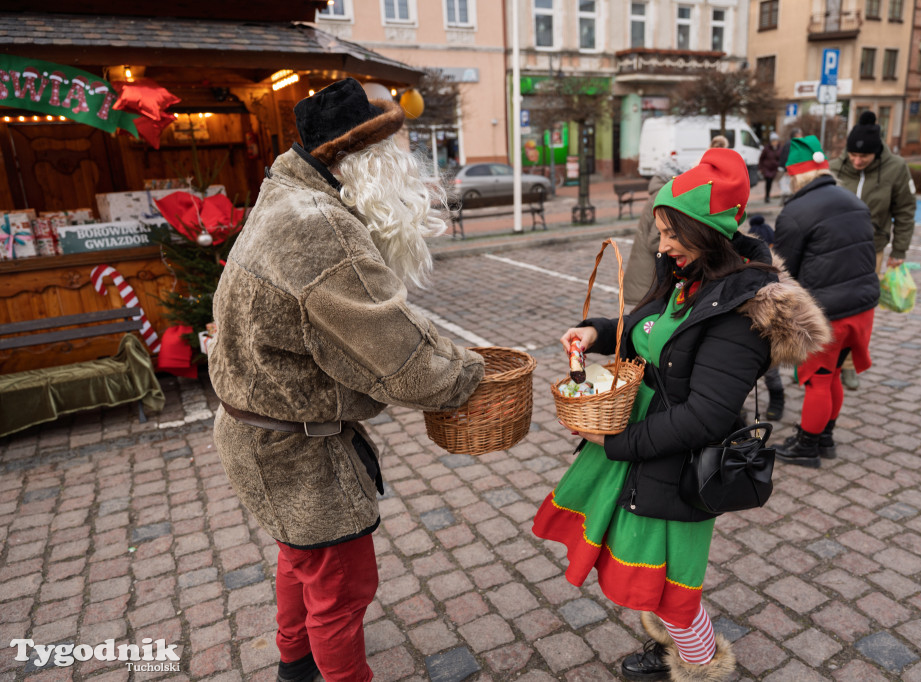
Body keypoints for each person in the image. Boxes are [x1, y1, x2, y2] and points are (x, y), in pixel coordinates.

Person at [208, 79, 485, 682]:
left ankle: (294, 664)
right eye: (398, 156)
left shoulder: (286, 191)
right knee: (341, 586)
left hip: (259, 436)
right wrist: (468, 373)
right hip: (296, 451)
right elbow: (402, 358)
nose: (408, 170)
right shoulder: (318, 225)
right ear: (364, 156)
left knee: (299, 557)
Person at [533, 149, 829, 681]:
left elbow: (706, 419)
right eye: (662, 231)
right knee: (651, 572)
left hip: (674, 460)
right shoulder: (687, 273)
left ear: (708, 233)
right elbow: (646, 328)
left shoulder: (741, 310)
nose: (662, 244)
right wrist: (599, 331)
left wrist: (616, 443)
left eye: (672, 233)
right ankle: (679, 647)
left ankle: (700, 664)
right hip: (644, 450)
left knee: (673, 584)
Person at [773, 136, 879, 467]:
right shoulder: (854, 201)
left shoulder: (794, 212)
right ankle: (825, 436)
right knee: (833, 375)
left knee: (818, 379)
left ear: (795, 174)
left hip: (826, 314)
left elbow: (784, 273)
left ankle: (807, 445)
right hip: (862, 310)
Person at [830, 110, 916, 389]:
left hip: (871, 250)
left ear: (876, 153)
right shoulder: (835, 167)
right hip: (832, 249)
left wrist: (899, 250)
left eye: (863, 158)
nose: (856, 161)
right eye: (853, 156)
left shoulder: (896, 168)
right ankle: (817, 358)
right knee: (826, 304)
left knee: (860, 310)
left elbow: (904, 211)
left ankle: (849, 365)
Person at [622, 152, 686, 308]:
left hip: (644, 276)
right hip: (648, 279)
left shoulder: (659, 193)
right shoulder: (663, 197)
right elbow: (654, 241)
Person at [746, 213, 786, 421]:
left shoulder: (779, 273)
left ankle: (777, 398)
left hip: (769, 331)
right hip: (747, 331)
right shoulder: (743, 271)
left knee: (772, 372)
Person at [776, 127, 802, 204]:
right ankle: (786, 201)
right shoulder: (791, 144)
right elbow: (786, 157)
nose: (801, 136)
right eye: (800, 134)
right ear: (796, 135)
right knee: (789, 186)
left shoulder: (792, 143)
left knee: (790, 186)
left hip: (792, 168)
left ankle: (789, 200)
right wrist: (787, 169)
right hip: (790, 169)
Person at [758, 132, 782, 203]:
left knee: (771, 181)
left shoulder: (780, 149)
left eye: (776, 141)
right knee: (768, 181)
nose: (775, 142)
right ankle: (767, 196)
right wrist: (760, 168)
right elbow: (761, 158)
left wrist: (779, 165)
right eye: (773, 141)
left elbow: (781, 158)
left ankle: (769, 195)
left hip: (774, 168)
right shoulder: (766, 149)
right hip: (767, 168)